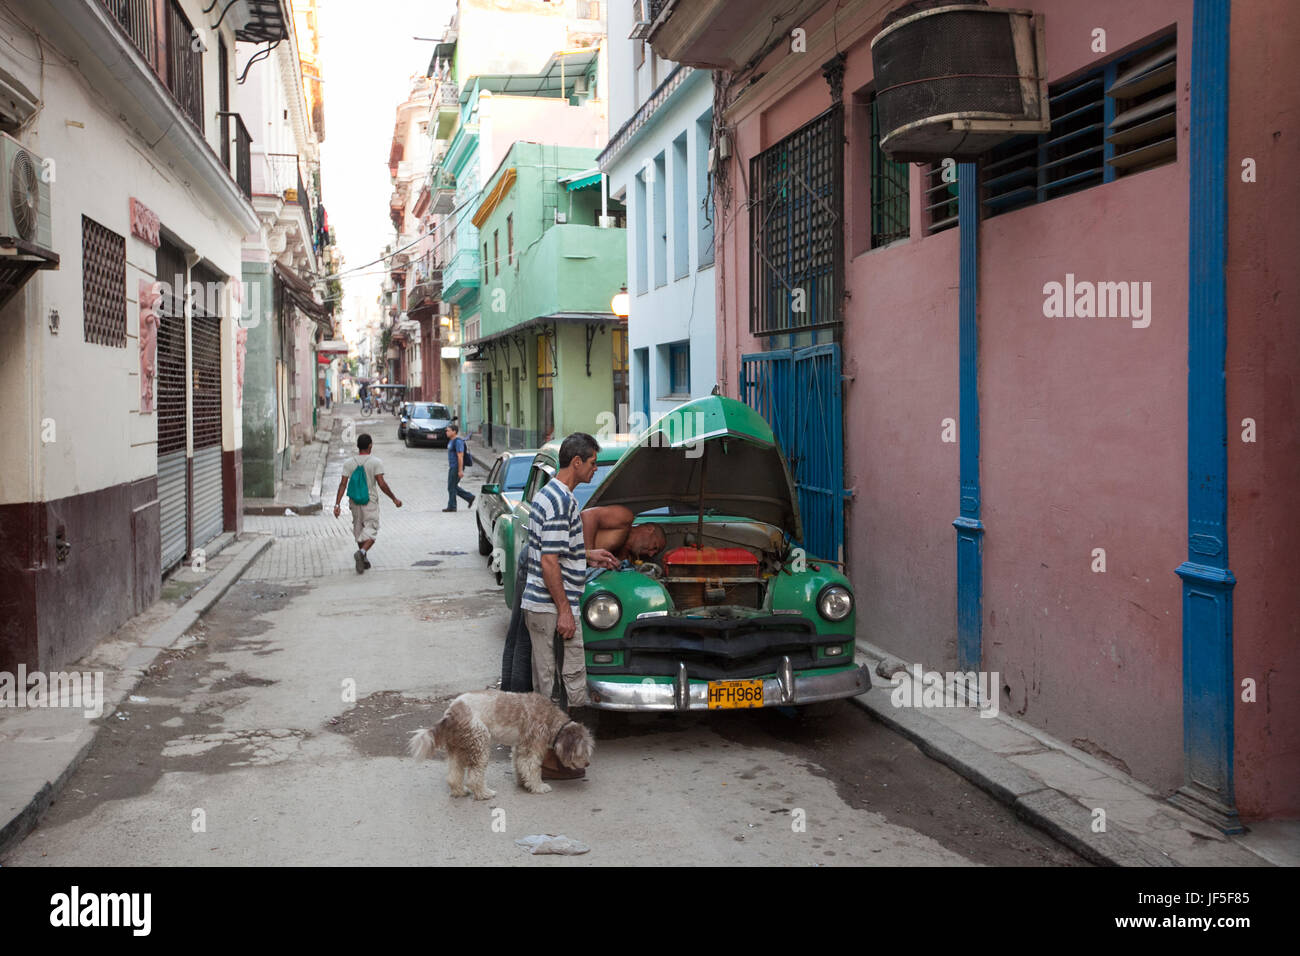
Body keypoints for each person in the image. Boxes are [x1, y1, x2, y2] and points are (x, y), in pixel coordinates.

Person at [521, 432, 618, 778]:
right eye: (592, 463)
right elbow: (549, 562)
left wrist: (588, 554)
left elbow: (558, 551)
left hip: (546, 606)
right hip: (550, 609)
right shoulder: (561, 501)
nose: (594, 470)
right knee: (553, 689)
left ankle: (551, 758)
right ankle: (546, 762)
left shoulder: (553, 496)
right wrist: (564, 610)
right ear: (576, 462)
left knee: (554, 684)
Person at [333, 433, 402, 573]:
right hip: (369, 501)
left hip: (354, 501)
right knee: (372, 528)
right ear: (370, 445)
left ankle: (363, 558)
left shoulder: (348, 463)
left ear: (358, 446)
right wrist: (394, 498)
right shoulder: (375, 462)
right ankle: (362, 552)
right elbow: (382, 484)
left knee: (358, 529)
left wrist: (337, 504)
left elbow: (342, 484)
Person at [582, 505, 667, 563]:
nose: (650, 554)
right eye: (654, 547)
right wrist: (589, 553)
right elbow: (587, 515)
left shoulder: (626, 557)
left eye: (654, 554)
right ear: (650, 529)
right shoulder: (625, 517)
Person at [442, 423, 476, 512]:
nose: (446, 432)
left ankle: (452, 506)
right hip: (453, 466)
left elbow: (460, 456)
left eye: (448, 430)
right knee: (452, 486)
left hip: (456, 467)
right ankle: (469, 497)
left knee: (451, 486)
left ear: (454, 431)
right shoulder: (451, 441)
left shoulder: (458, 441)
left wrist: (460, 470)